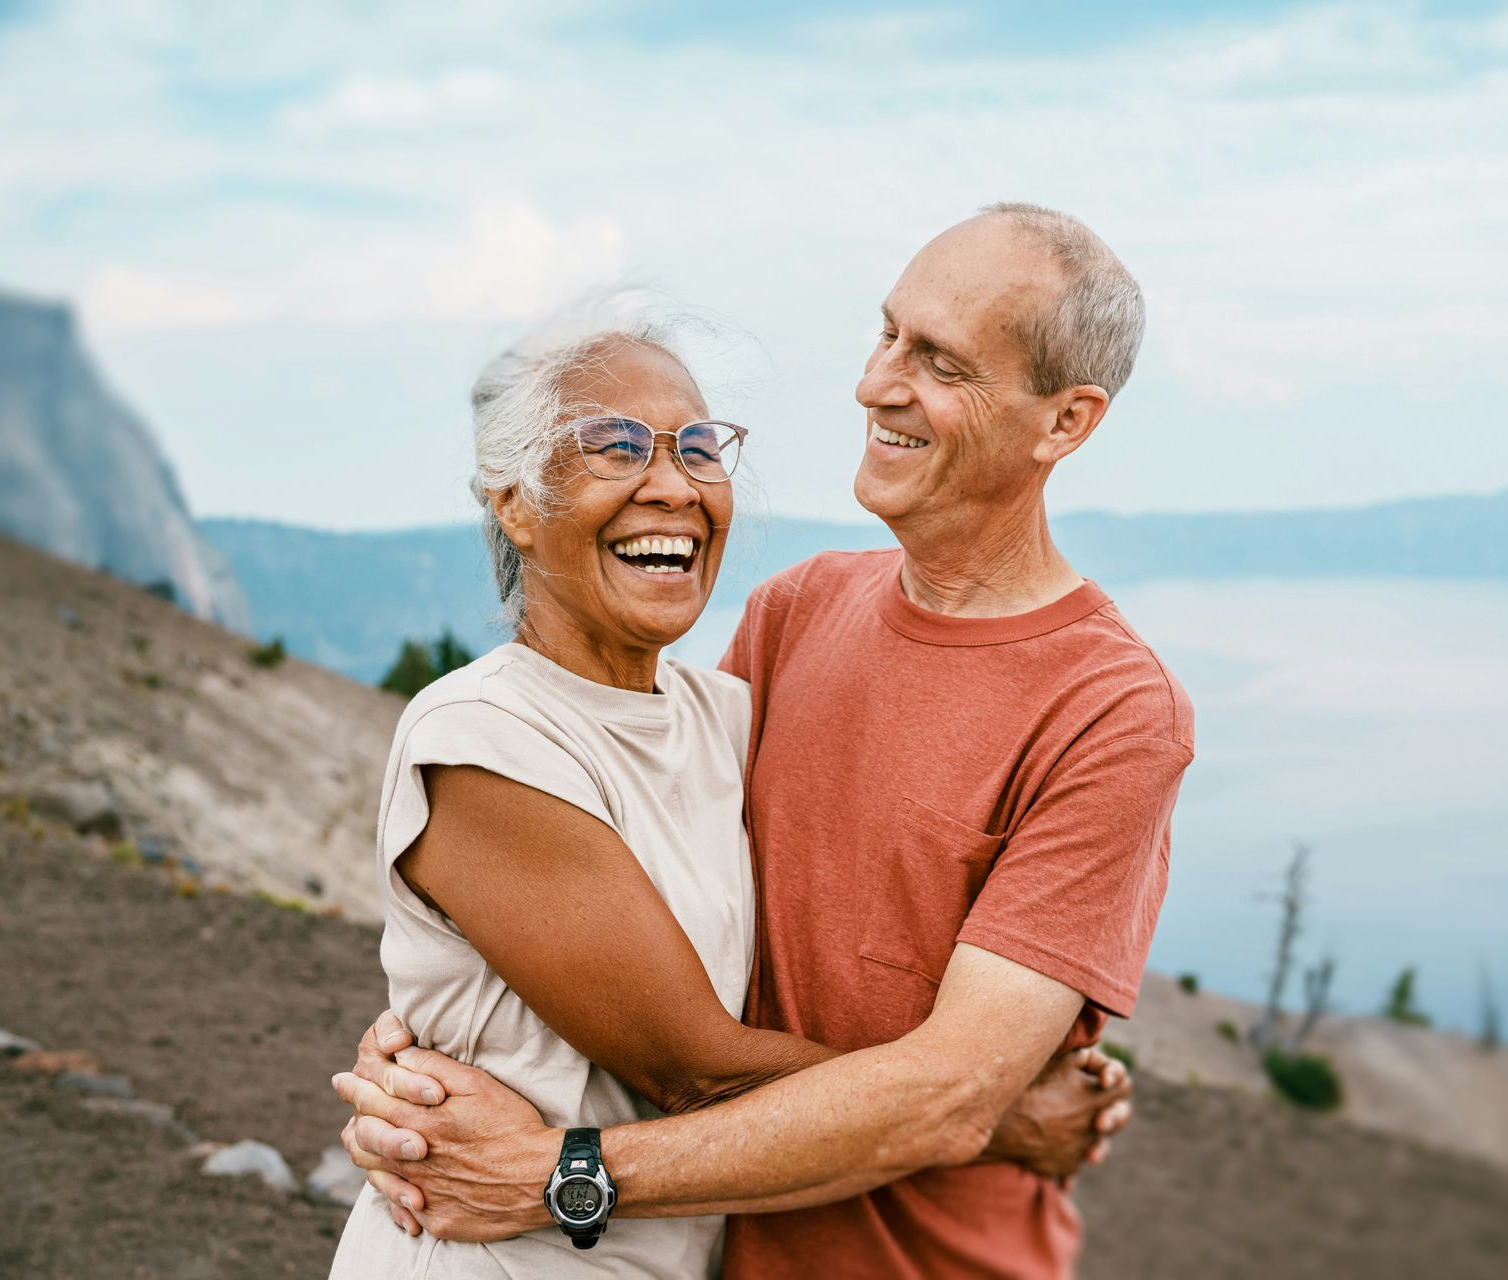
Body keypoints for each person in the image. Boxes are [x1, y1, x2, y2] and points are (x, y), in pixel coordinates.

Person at [328, 301, 1133, 1278]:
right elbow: (695, 1066)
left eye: (698, 448)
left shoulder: (728, 715)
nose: (671, 485)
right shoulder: (484, 738)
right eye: (614, 446)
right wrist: (994, 1112)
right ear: (514, 502)